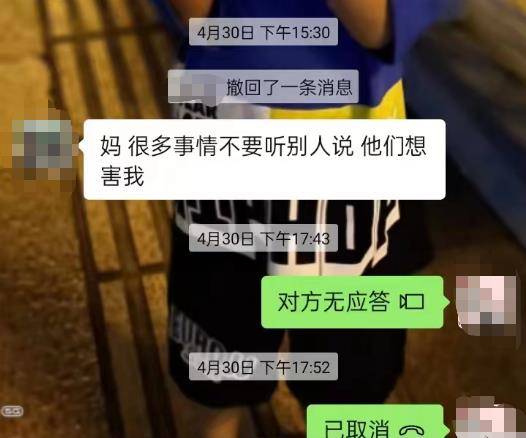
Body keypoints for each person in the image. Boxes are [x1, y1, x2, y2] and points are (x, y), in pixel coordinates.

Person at [159, 1, 452, 437]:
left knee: (351, 374)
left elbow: (378, 28)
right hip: (226, 134)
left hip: (349, 154)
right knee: (214, 353)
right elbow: (197, 19)